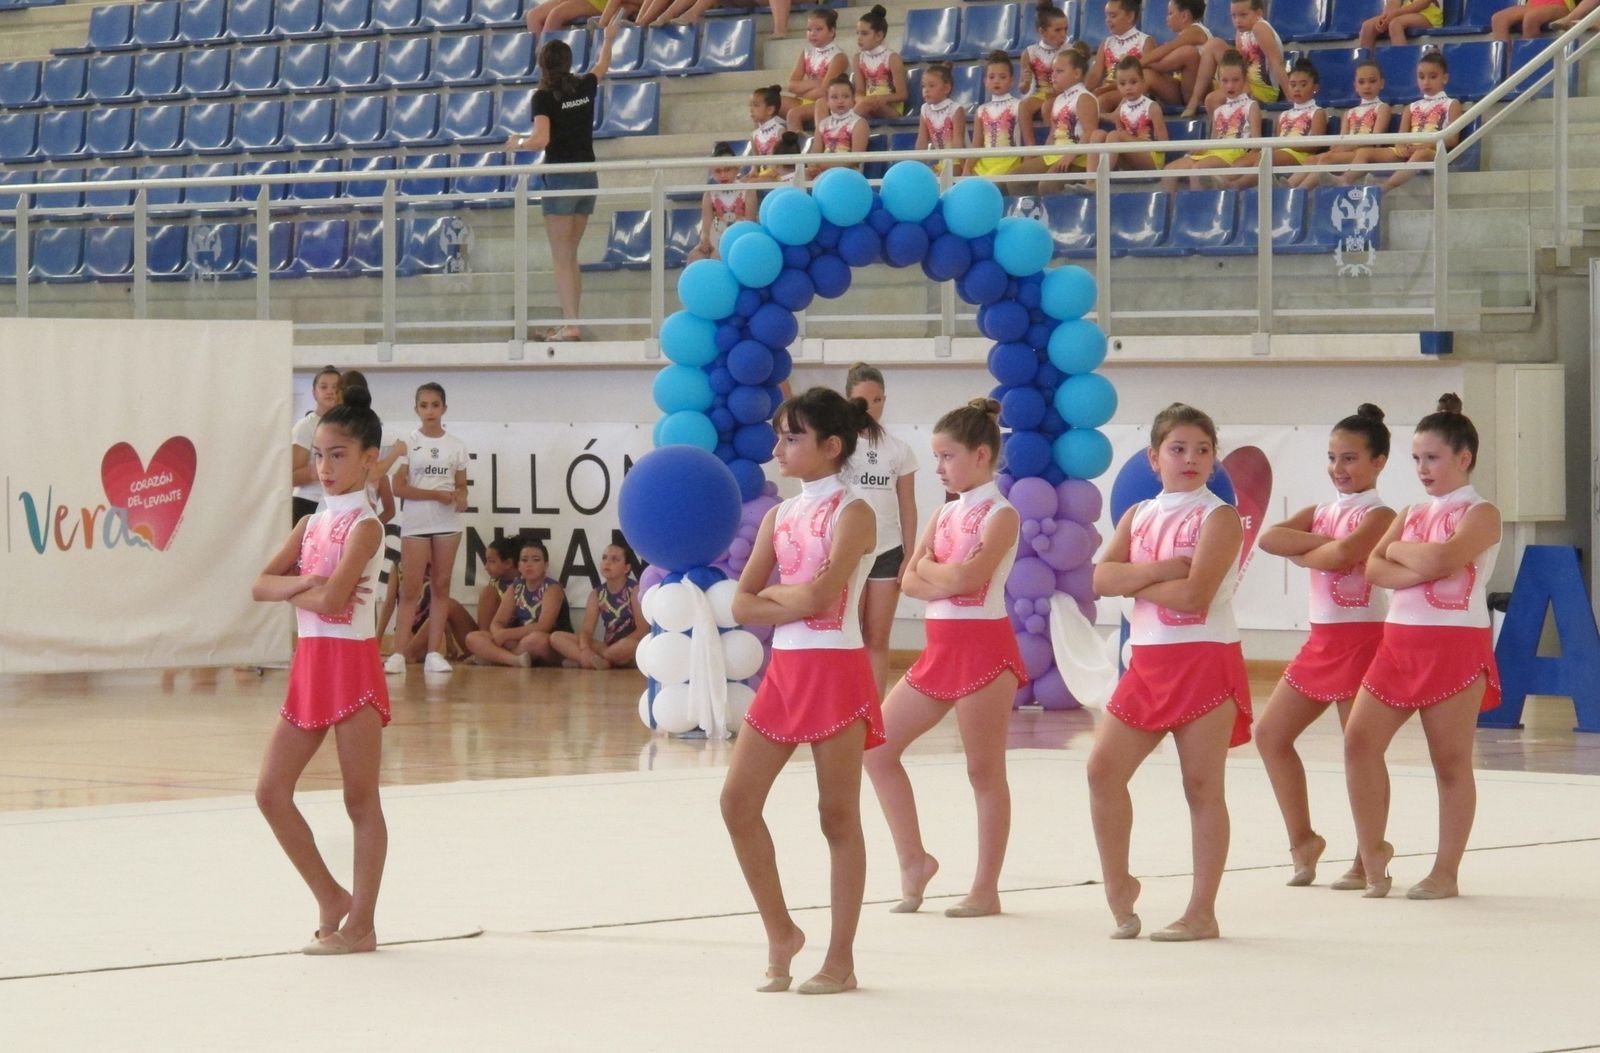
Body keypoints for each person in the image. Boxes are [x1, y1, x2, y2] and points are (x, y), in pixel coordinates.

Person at [722, 387, 882, 996]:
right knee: (737, 802)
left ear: (831, 447)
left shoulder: (856, 512)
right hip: (786, 673)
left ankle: (840, 957)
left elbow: (822, 598)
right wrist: (793, 595)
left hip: (836, 671)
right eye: (779, 436)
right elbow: (740, 603)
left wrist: (780, 598)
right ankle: (781, 932)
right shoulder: (778, 515)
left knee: (837, 816)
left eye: (792, 438)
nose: (778, 448)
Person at [1089, 403, 1250, 942]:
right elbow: (1100, 580)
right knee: (1102, 772)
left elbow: (1195, 594)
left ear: (1214, 460)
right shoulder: (1138, 515)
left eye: (1202, 450)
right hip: (1149, 662)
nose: (1191, 459)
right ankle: (1119, 885)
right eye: (1178, 449)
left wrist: (1131, 581)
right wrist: (1155, 571)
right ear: (1153, 457)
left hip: (1203, 658)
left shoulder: (1219, 517)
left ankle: (1202, 910)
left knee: (1202, 786)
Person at [865, 399, 1025, 919]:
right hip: (940, 652)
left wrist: (939, 572)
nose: (937, 469)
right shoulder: (944, 513)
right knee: (876, 751)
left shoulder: (1002, 515)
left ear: (981, 455)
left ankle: (986, 887)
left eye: (946, 457)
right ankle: (914, 861)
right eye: (935, 458)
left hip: (984, 650)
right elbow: (909, 580)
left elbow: (966, 581)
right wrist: (940, 573)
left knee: (984, 772)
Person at [1345, 394, 1502, 900]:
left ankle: (1446, 871)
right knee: (1358, 743)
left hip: (1454, 647)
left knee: (1450, 761)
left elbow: (1444, 561)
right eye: (1416, 459)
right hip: (1398, 644)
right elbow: (1372, 567)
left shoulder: (1483, 513)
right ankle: (1373, 854)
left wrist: (1401, 552)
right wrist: (1413, 555)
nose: (1422, 469)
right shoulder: (1411, 511)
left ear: (1464, 458)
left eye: (1432, 458)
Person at [252, 386, 390, 956]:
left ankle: (362, 924)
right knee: (270, 793)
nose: (325, 466)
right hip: (311, 667)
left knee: (360, 801)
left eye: (338, 454)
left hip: (351, 667)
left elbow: (337, 602)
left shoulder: (366, 527)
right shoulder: (310, 524)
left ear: (368, 459)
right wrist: (306, 586)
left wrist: (304, 590)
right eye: (318, 454)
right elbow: (261, 583)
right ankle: (332, 898)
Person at [1255, 405, 1395, 890]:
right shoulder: (1323, 511)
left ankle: (1368, 853)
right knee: (1270, 736)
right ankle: (1303, 841)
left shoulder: (1382, 515)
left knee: (1360, 748)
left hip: (1365, 644)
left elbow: (1344, 554)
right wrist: (1318, 548)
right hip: (1321, 643)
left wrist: (1307, 553)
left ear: (1379, 462)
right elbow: (1270, 538)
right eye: (1333, 457)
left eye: (1351, 458)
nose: (1339, 468)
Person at [507, 19, 619, 344]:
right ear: (568, 63)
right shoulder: (583, 87)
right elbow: (603, 65)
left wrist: (516, 143)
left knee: (562, 257)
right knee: (571, 255)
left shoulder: (543, 97)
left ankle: (571, 325)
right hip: (587, 175)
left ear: (542, 65)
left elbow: (540, 139)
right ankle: (572, 322)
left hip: (560, 177)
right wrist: (608, 38)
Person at [840, 363, 917, 697]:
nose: (870, 407)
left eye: (877, 399)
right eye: (862, 400)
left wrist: (910, 556)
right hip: (849, 552)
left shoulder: (899, 450)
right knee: (847, 634)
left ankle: (873, 710)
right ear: (848, 401)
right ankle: (847, 703)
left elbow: (907, 506)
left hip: (888, 552)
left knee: (877, 637)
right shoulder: (836, 448)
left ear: (885, 400)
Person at [386, 383, 469, 675]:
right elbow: (399, 487)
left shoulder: (456, 445)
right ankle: (398, 652)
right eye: (424, 405)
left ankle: (434, 652)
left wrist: (460, 496)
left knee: (441, 585)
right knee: (410, 589)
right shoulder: (408, 442)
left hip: (448, 523)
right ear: (416, 409)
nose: (430, 411)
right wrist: (435, 495)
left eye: (435, 405)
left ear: (444, 408)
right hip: (416, 522)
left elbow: (461, 484)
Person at [1340, 50, 1459, 191]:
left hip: (1433, 151)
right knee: (1364, 152)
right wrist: (1401, 147)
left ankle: (1386, 187)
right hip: (1409, 150)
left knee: (1421, 154)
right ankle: (1344, 180)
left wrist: (1424, 146)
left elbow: (1452, 139)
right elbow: (1400, 136)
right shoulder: (1411, 107)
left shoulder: (1452, 104)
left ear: (1444, 78)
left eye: (1433, 77)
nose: (1426, 82)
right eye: (1421, 77)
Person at [464, 539, 570, 668]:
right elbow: (497, 622)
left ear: (546, 565)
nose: (529, 564)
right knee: (472, 638)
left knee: (535, 639)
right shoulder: (516, 587)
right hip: (518, 642)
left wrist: (507, 634)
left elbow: (544, 626)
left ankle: (495, 658)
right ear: (519, 565)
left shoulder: (552, 588)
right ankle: (515, 660)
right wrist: (500, 634)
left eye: (536, 560)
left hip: (548, 645)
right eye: (524, 560)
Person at [1162, 49, 1258, 190]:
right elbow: (1214, 139)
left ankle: (1199, 210)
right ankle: (1172, 211)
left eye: (1235, 80)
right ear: (1218, 81)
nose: (1230, 86)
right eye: (1225, 81)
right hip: (1215, 151)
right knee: (1168, 171)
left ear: (1244, 79)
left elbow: (1256, 143)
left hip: (1234, 152)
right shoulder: (1218, 110)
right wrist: (1202, 149)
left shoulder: (1251, 105)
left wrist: (1243, 162)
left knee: (1197, 171)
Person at [1289, 59, 1390, 190]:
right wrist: (1338, 146)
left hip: (1364, 152)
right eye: (1361, 82)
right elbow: (1343, 138)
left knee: (1327, 159)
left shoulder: (1383, 108)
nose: (1366, 86)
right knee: (1311, 160)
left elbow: (1376, 140)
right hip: (1349, 151)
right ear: (1355, 85)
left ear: (1381, 83)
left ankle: (1299, 192)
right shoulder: (1349, 112)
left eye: (1372, 81)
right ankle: (1287, 187)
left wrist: (1347, 147)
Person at [1228, 57, 1324, 188]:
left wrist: (1287, 146)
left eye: (1303, 85)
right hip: (1282, 152)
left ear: (1315, 88)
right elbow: (1279, 140)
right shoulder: (1283, 115)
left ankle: (1236, 186)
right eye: (1293, 85)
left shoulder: (1317, 112)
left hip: (1300, 155)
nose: (1297, 89)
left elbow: (1316, 144)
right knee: (1244, 160)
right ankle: (1223, 180)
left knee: (1265, 160)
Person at [551, 543, 645, 669]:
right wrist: (585, 649)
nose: (607, 563)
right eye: (604, 558)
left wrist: (618, 646)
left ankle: (592, 661)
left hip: (630, 648)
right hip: (606, 647)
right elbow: (587, 630)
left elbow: (642, 630)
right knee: (556, 637)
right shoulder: (596, 594)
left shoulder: (635, 590)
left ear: (627, 568)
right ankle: (592, 660)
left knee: (628, 645)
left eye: (615, 559)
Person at [1185, 0, 1284, 117]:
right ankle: (1194, 100)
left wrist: (1290, 96)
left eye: (1243, 15)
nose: (1237, 21)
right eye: (1234, 16)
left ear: (1258, 13)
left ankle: (1223, 132)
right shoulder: (1241, 33)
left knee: (1211, 100)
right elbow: (1239, 66)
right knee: (1213, 44)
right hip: (1245, 84)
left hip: (1264, 90)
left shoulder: (1260, 28)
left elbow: (1277, 64)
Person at [1019, 45, 1099, 182]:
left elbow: (1090, 132)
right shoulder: (1058, 99)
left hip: (1077, 158)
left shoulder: (1084, 97)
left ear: (1076, 74)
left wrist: (1069, 156)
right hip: (1055, 154)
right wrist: (1043, 154)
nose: (1053, 76)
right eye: (1053, 71)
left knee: (1046, 185)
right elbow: (1053, 134)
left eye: (1059, 71)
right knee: (1016, 179)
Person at [1089, 56, 1170, 174]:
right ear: (1117, 86)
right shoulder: (1121, 109)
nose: (1128, 87)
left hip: (1151, 158)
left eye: (1133, 82)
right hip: (1130, 156)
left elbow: (1164, 142)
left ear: (1143, 82)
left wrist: (1130, 140)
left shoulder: (1152, 107)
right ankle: (1090, 181)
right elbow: (1120, 136)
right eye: (1122, 84)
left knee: (1115, 135)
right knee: (1098, 134)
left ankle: (1102, 180)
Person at [290, 366, 342, 525]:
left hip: (336, 503)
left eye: (336, 387)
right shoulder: (305, 426)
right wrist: (326, 466)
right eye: (324, 387)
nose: (330, 391)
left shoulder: (346, 426)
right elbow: (293, 476)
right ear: (314, 392)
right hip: (308, 501)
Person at [783, 9, 848, 132]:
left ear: (832, 31)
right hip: (808, 99)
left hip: (827, 103)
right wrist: (815, 83)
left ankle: (799, 148)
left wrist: (801, 91)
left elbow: (825, 91)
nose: (813, 33)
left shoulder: (838, 57)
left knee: (793, 114)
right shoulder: (806, 52)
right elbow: (791, 85)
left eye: (818, 29)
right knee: (768, 103)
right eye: (809, 30)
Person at [1017, 1, 1072, 146]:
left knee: (1047, 106)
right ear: (1042, 32)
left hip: (1064, 93)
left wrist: (1057, 91)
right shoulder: (1030, 53)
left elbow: (1076, 81)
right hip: (1042, 93)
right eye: (1058, 30)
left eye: (1065, 30)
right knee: (1023, 106)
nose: (1063, 35)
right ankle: (1030, 147)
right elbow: (1023, 89)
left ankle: (1053, 142)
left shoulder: (1069, 51)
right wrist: (1025, 82)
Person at [1141, 0, 1212, 109]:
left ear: (1184, 16)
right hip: (1183, 90)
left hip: (1200, 92)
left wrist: (1141, 62)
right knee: (1147, 75)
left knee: (1188, 52)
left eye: (1170, 13)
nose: (1167, 18)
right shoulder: (1184, 34)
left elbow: (1167, 50)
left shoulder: (1196, 30)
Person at [963, 52, 1024, 179]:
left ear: (1011, 81)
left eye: (1002, 77)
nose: (996, 81)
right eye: (991, 77)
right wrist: (967, 168)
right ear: (985, 81)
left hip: (1009, 160)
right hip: (984, 162)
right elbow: (976, 145)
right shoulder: (981, 110)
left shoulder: (1019, 105)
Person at [689, 143, 754, 262]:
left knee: (718, 256)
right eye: (718, 171)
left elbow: (750, 224)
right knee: (694, 257)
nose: (723, 175)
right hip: (717, 237)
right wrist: (705, 240)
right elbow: (706, 227)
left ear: (737, 168)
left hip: (740, 237)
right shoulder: (709, 194)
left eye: (727, 170)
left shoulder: (748, 190)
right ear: (712, 172)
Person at [1090, 0, 1152, 113]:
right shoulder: (1106, 43)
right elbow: (1095, 74)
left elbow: (1144, 78)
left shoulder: (1144, 41)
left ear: (1130, 16)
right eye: (1107, 16)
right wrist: (1084, 92)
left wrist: (1105, 90)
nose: (1108, 20)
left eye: (1113, 16)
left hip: (1130, 90)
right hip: (1106, 90)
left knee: (1102, 101)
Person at [851, 6, 907, 121]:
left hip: (890, 108)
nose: (859, 38)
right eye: (858, 33)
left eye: (864, 34)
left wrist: (882, 99)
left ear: (879, 35)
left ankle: (843, 126)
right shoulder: (858, 59)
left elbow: (902, 94)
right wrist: (861, 99)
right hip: (868, 105)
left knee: (870, 103)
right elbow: (859, 91)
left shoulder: (892, 58)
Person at [807, 78, 869, 179]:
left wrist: (824, 166)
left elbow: (855, 159)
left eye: (845, 96)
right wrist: (813, 167)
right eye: (834, 97)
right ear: (827, 101)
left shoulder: (859, 123)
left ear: (853, 100)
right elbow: (814, 156)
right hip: (823, 172)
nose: (840, 101)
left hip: (848, 174)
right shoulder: (823, 124)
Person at [913, 62, 967, 167]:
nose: (926, 90)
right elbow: (922, 142)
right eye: (923, 86)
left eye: (931, 86)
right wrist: (919, 166)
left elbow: (958, 144)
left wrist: (964, 169)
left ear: (946, 88)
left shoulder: (956, 109)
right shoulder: (925, 109)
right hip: (941, 162)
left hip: (957, 160)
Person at [743, 85, 790, 183]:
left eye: (756, 105)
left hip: (777, 175)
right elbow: (756, 160)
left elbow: (784, 160)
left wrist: (775, 171)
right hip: (763, 175)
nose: (751, 109)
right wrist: (753, 170)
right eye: (750, 105)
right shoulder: (754, 135)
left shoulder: (780, 131)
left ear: (770, 110)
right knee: (739, 183)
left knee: (750, 183)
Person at [1360, 0, 1445, 49]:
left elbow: (1422, 4)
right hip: (1402, 14)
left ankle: (1402, 63)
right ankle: (1366, 70)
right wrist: (1384, 19)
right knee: (1367, 27)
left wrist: (1394, 15)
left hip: (1428, 15)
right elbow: (1392, 6)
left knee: (1395, 24)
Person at [1494, 0, 1577, 44]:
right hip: (1535, 4)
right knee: (1498, 19)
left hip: (1561, 5)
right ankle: (1507, 67)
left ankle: (1527, 65)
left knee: (1531, 18)